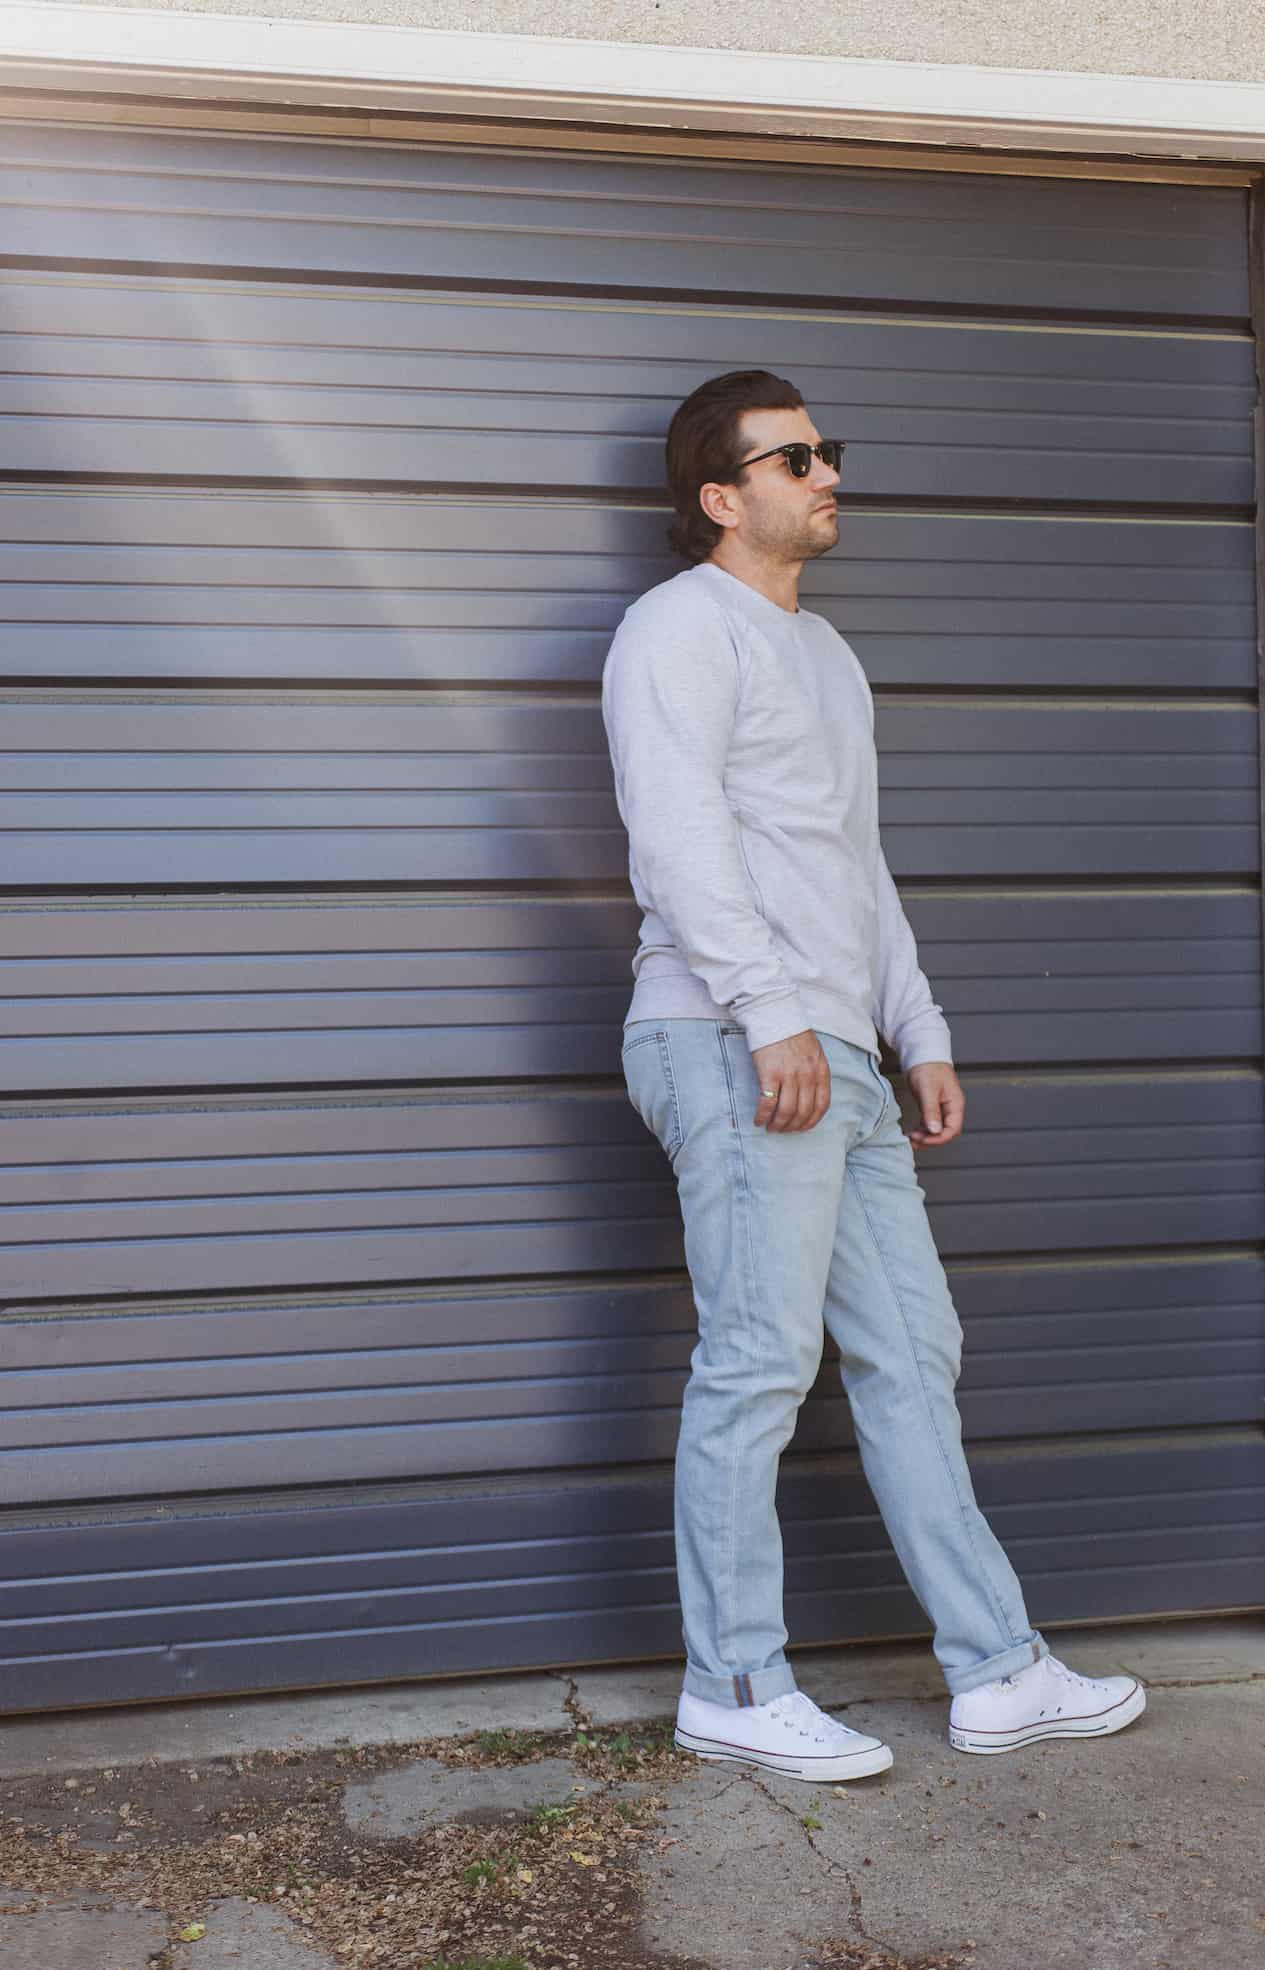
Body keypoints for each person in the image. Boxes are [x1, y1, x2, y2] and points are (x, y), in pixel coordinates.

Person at [599, 368, 1146, 1782]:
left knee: (914, 1354)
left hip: (836, 1048)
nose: (826, 472)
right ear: (722, 497)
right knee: (758, 1362)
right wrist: (770, 1012)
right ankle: (729, 1680)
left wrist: (921, 1028)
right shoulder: (678, 629)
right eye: (793, 456)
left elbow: (853, 863)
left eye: (825, 449)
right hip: (731, 1038)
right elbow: (676, 837)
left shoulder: (826, 652)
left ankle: (996, 1667)